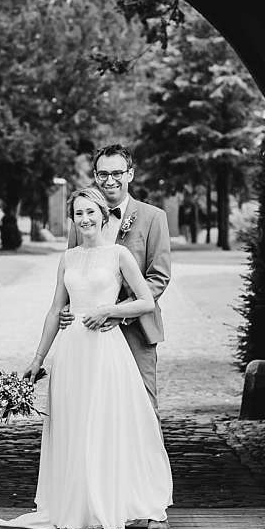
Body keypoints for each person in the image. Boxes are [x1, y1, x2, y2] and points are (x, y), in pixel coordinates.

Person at [0, 186, 173, 529]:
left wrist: (111, 310)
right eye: (78, 214)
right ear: (73, 221)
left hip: (106, 350)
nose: (85, 219)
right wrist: (37, 358)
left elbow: (145, 302)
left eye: (91, 212)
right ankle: (77, 508)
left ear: (102, 214)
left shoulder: (119, 255)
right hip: (72, 351)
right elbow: (54, 309)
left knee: (102, 427)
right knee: (74, 428)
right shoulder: (69, 259)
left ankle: (102, 512)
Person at [61, 143, 171, 427]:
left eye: (117, 173)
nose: (109, 180)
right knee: (91, 409)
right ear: (95, 176)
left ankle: (147, 470)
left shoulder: (153, 218)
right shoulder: (82, 217)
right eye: (102, 174)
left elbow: (158, 276)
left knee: (143, 409)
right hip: (88, 333)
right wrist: (67, 307)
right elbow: (75, 267)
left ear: (130, 174)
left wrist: (117, 312)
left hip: (136, 327)